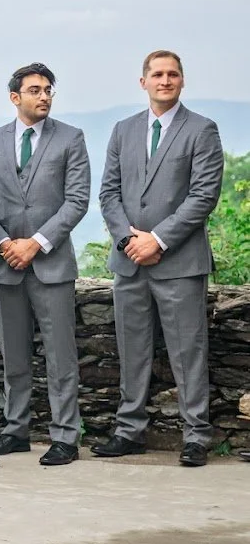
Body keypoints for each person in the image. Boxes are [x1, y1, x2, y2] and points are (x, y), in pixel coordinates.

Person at [94, 50, 223, 467]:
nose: (164, 80)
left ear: (182, 81)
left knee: (188, 351)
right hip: (129, 260)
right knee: (132, 349)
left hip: (180, 263)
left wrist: (159, 240)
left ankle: (196, 435)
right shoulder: (122, 130)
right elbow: (108, 193)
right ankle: (129, 431)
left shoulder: (202, 130)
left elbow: (203, 196)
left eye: (172, 74)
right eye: (157, 74)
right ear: (143, 81)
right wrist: (129, 239)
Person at [0, 63, 90, 466]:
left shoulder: (70, 138)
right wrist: (6, 243)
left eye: (48, 90)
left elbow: (77, 200)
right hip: (5, 264)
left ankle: (65, 436)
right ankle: (16, 430)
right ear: (15, 97)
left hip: (52, 264)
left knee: (61, 355)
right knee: (13, 354)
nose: (43, 96)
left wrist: (36, 244)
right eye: (35, 90)